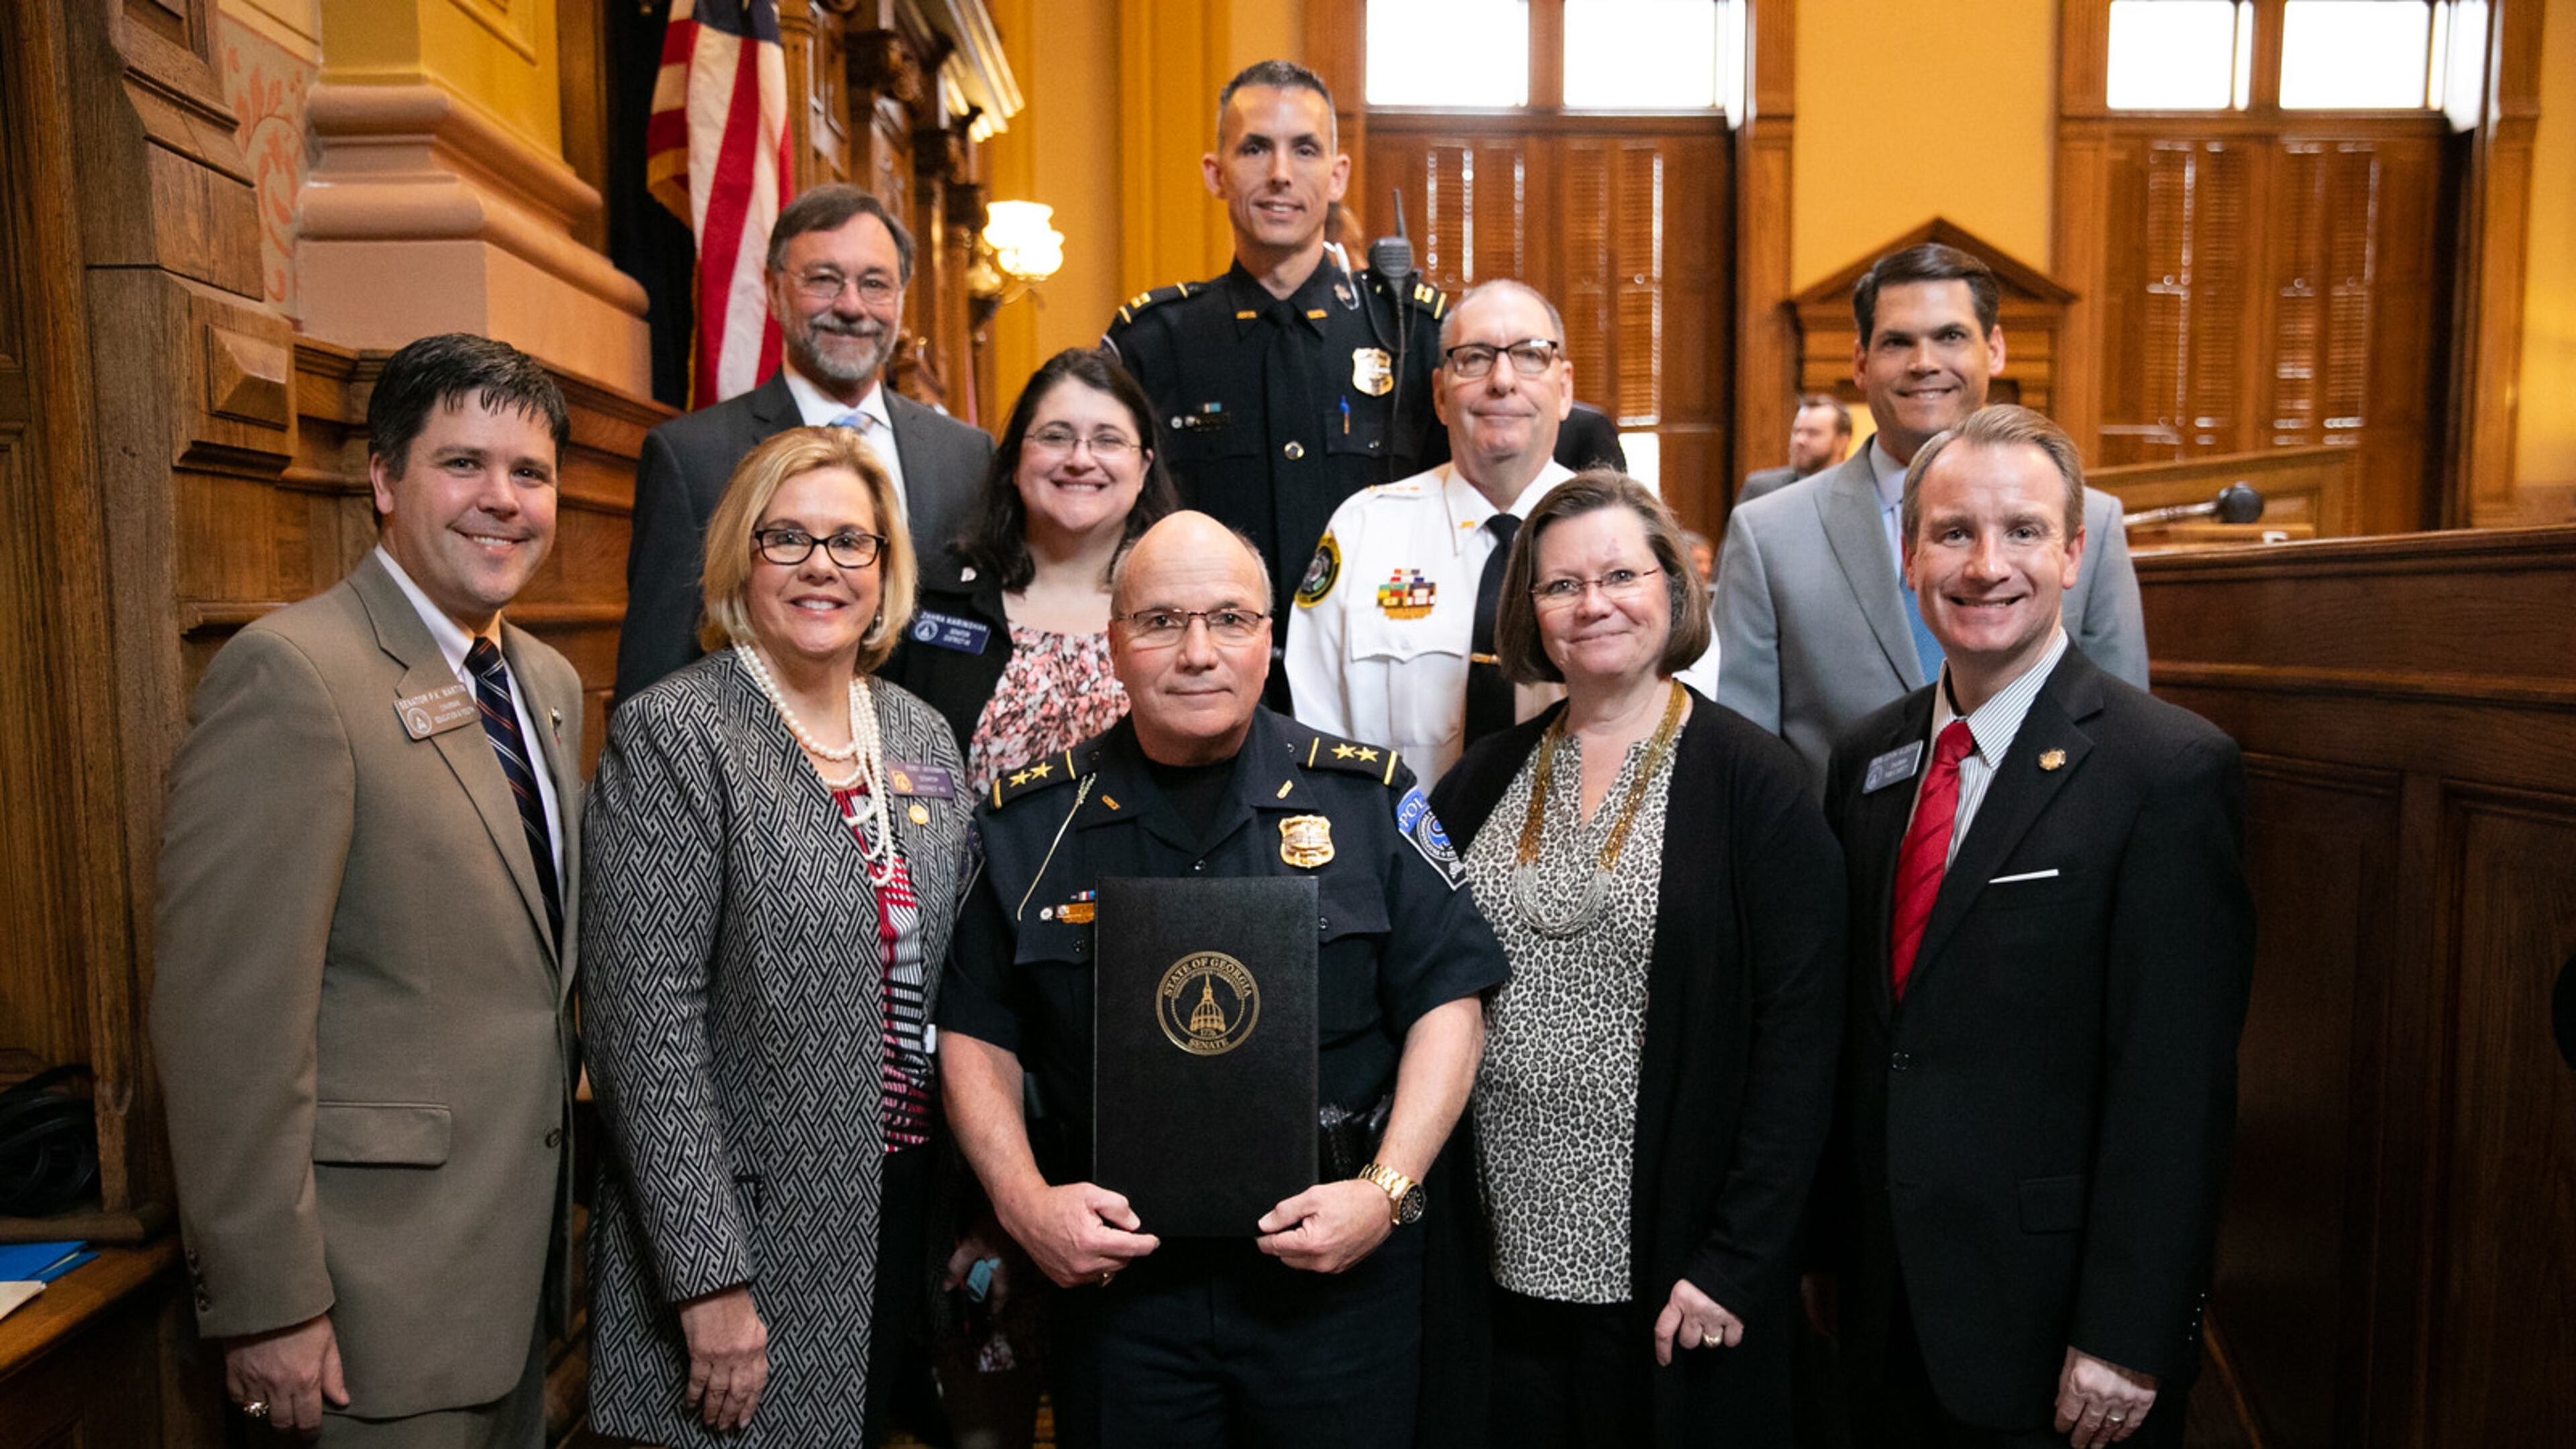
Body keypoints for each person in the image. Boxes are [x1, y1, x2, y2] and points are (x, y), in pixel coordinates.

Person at [936, 512, 1509, 1448]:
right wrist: (1025, 1203)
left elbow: (1449, 1002)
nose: (1198, 652)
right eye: (1161, 621)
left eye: (1230, 619)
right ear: (1113, 644)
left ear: (1269, 639)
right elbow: (976, 1030)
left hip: (1337, 1282)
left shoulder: (1365, 799)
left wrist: (1388, 1191)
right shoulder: (1026, 825)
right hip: (1120, 1292)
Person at [151, 333, 581, 1444]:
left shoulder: (543, 679)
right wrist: (269, 1299)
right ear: (384, 480)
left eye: (529, 474)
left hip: (518, 1277)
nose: (502, 500)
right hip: (365, 1309)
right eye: (463, 465)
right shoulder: (294, 675)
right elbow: (230, 1027)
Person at [1819, 407, 2252, 1448]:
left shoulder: (2166, 771)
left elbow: (2176, 1086)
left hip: (2059, 1341)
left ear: (2072, 553)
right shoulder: (1868, 761)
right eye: (1954, 532)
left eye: (2021, 533)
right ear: (1909, 551)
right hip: (1882, 1320)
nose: (1984, 566)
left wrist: (2129, 1333)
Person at [1424, 472, 1845, 1448]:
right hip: (1495, 1254)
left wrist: (1739, 1257)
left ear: (1673, 586)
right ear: (1530, 611)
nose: (1593, 603)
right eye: (1561, 585)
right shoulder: (1479, 778)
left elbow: (1802, 1040)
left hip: (1674, 1267)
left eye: (1621, 573)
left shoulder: (1758, 784)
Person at [581, 427, 977, 1446]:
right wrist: (709, 1280)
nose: (822, 568)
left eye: (852, 542)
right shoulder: (678, 734)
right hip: (745, 1229)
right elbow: (644, 1031)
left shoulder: (921, 736)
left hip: (894, 1206)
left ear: (885, 568)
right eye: (786, 539)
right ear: (738, 560)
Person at [1714, 244, 2147, 789]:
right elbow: (1746, 759)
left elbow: (2119, 735)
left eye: (1950, 336)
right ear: (1860, 362)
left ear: (1993, 350)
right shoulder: (1767, 534)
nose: (1924, 362)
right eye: (1897, 341)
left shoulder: (2094, 522)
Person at [1289, 280, 1715, 783]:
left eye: (1531, 355)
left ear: (1566, 389)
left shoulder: (1637, 535)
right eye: (1474, 358)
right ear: (1440, 394)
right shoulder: (1364, 530)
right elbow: (1315, 735)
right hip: (1396, 856)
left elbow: (1686, 719)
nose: (1503, 379)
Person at [617, 184, 996, 706]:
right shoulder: (692, 458)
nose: (850, 306)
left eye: (875, 284)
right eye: (823, 280)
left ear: (901, 300)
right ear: (773, 291)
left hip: (934, 769)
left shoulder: (966, 457)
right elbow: (652, 683)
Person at [1104, 60, 1448, 621]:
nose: (1281, 173)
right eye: (1256, 148)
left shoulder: (1411, 333)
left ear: (1338, 176)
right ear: (1216, 173)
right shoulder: (1155, 343)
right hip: (1215, 669)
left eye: (1305, 150)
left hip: (1377, 667)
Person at [883, 347, 1179, 789]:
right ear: (1016, 464)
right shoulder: (932, 599)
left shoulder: (1185, 608)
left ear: (1143, 469)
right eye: (1056, 436)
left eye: (1108, 440)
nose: (1080, 458)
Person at [1738, 394, 1853, 503]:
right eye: (1797, 432)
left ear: (1842, 442)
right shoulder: (1762, 490)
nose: (1800, 440)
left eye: (1813, 433)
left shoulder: (1858, 490)